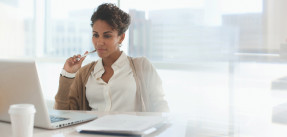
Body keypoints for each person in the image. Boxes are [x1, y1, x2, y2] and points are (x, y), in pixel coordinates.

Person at [54, 3, 169, 112]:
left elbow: (160, 107)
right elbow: (63, 113)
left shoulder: (142, 66)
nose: (99, 42)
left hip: (130, 132)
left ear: (121, 37)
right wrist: (68, 74)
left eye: (107, 36)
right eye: (95, 35)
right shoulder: (85, 73)